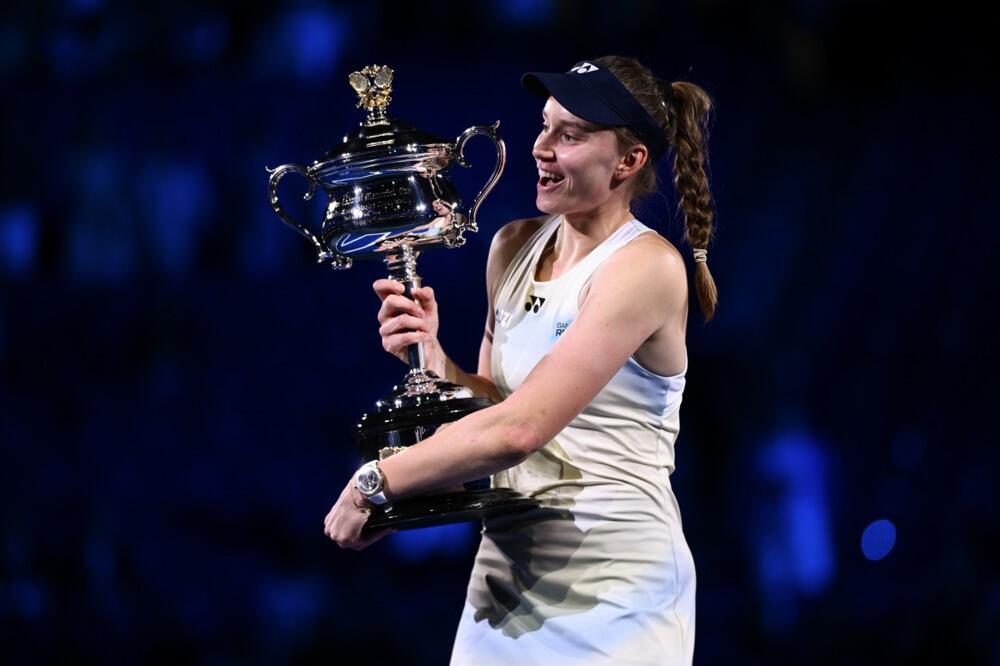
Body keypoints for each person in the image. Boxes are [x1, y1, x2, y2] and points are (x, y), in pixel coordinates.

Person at [324, 55, 718, 665]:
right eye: (544, 126)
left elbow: (520, 431)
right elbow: (496, 408)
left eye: (571, 134)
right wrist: (436, 362)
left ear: (629, 161)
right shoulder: (510, 245)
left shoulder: (646, 268)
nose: (541, 148)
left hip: (617, 601)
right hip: (505, 587)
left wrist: (377, 483)